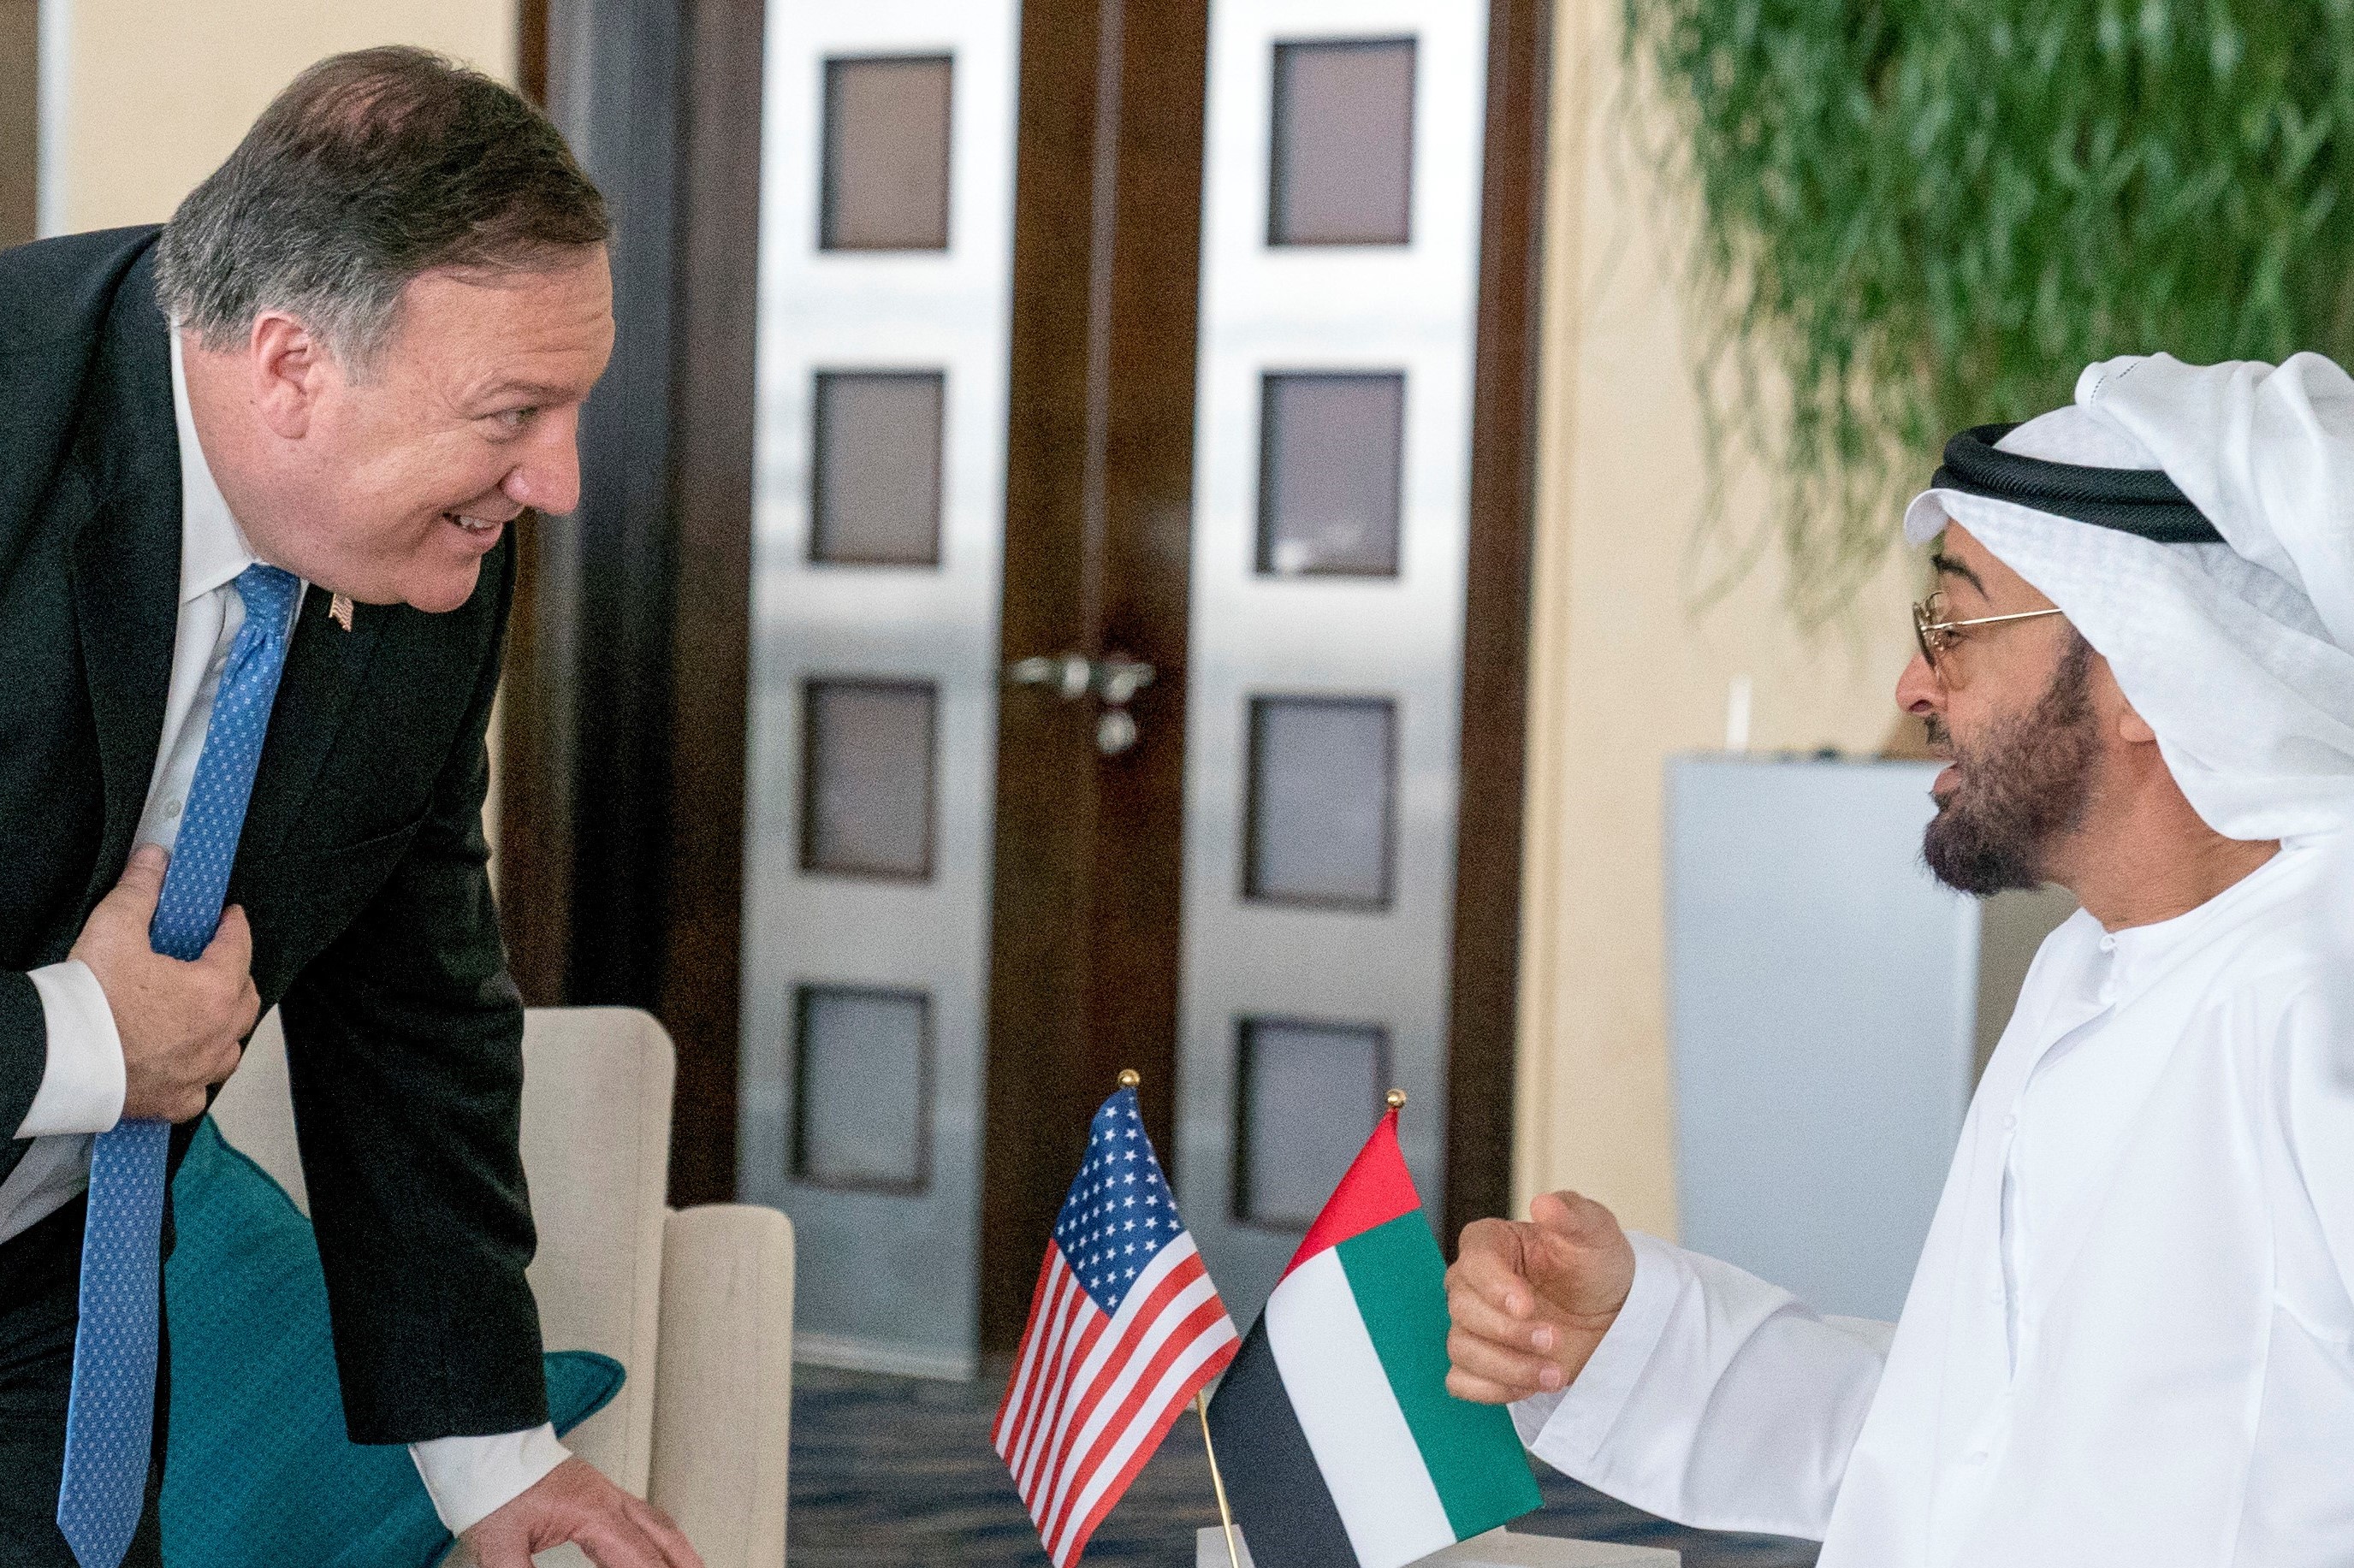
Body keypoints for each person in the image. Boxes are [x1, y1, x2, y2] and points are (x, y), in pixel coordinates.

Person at [1446, 352, 2354, 1565]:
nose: (1913, 683)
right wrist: (1631, 1337)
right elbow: (1977, 1438)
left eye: (1959, 625)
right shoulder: (2091, 972)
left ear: (2147, 663)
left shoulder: (2317, 999)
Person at [0, 48, 700, 1568]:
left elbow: (412, 992)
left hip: (53, 1311)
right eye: (515, 412)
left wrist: (493, 1450)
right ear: (292, 364)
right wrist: (81, 1041)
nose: (561, 482)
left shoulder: (427, 546)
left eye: (573, 407)